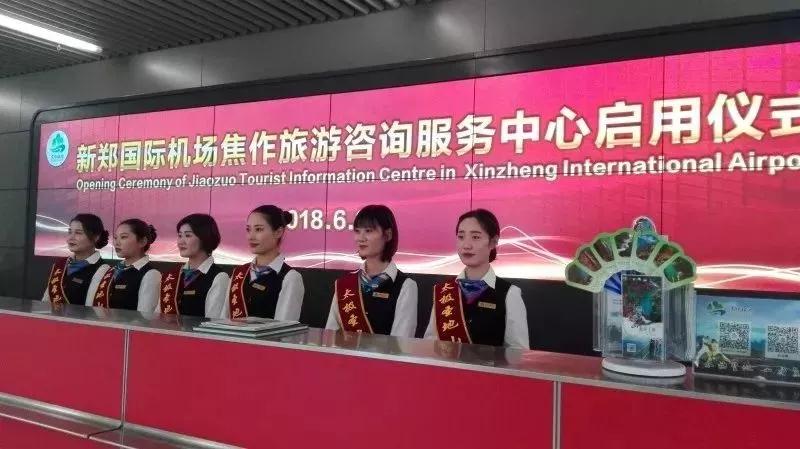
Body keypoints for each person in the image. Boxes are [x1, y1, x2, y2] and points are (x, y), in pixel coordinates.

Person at [424, 209, 529, 349]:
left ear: (493, 242)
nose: (466, 245)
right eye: (461, 237)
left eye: (475, 237)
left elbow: (518, 353)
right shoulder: (445, 291)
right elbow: (430, 343)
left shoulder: (509, 294)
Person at [325, 205, 417, 337]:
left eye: (368, 231)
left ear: (388, 235)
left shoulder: (405, 286)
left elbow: (401, 342)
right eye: (357, 231)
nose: (360, 238)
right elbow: (330, 335)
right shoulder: (345, 284)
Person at [223, 205, 304, 321]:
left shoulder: (290, 278)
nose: (251, 236)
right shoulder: (238, 273)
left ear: (278, 232)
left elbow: (284, 327)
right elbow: (222, 320)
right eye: (248, 230)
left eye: (259, 229)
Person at [157, 214, 228, 318]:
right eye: (180, 236)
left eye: (188, 235)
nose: (181, 241)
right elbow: (158, 316)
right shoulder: (172, 276)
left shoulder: (218, 277)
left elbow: (213, 322)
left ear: (204, 238)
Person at [91, 219, 161, 313]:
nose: (117, 243)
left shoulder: (150, 274)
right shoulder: (111, 271)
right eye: (115, 238)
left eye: (123, 237)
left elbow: (144, 317)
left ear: (142, 242)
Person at [43, 213, 111, 306]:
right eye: (70, 232)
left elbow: (92, 309)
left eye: (78, 233)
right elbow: (46, 302)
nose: (71, 238)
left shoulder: (102, 270)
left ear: (96, 237)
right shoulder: (60, 265)